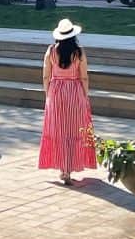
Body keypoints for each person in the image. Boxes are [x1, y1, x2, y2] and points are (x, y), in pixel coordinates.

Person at [38, 18, 97, 185]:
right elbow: (84, 76)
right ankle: (69, 169)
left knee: (58, 130)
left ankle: (62, 169)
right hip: (75, 91)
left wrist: (48, 94)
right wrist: (84, 96)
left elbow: (46, 76)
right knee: (74, 131)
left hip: (56, 92)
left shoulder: (51, 51)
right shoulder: (79, 52)